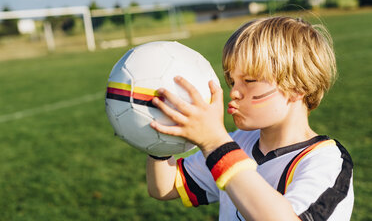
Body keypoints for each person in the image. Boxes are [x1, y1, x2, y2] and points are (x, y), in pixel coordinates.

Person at [146, 16, 354, 221]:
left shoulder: (325, 161)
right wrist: (159, 140)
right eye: (232, 81)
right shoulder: (238, 143)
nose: (234, 93)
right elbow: (167, 186)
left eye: (249, 80)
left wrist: (215, 144)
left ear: (297, 88)